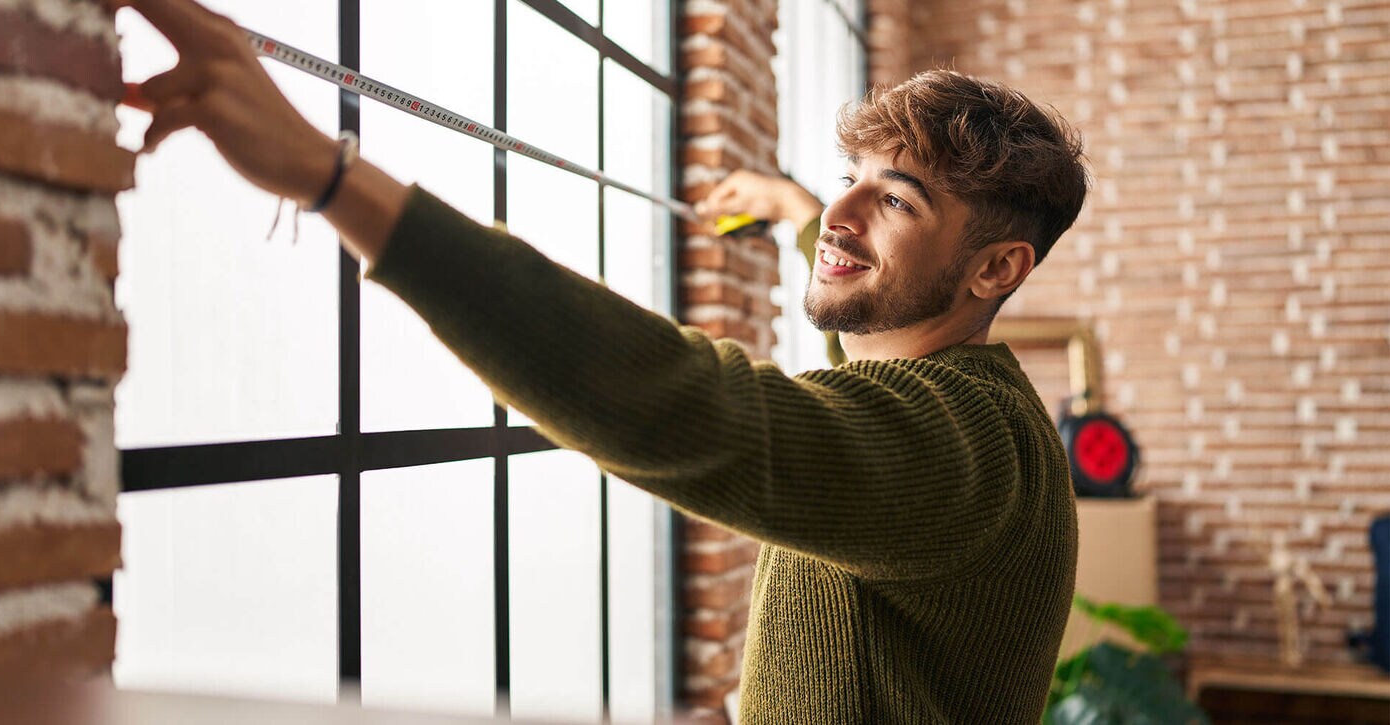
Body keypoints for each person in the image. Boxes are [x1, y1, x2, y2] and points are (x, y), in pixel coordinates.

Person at [121, 0, 1088, 721]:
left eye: (898, 201)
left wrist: (327, 176)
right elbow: (863, 296)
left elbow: (687, 407)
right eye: (850, 181)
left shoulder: (964, 448)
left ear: (996, 268)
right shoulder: (926, 374)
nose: (844, 213)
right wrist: (802, 212)